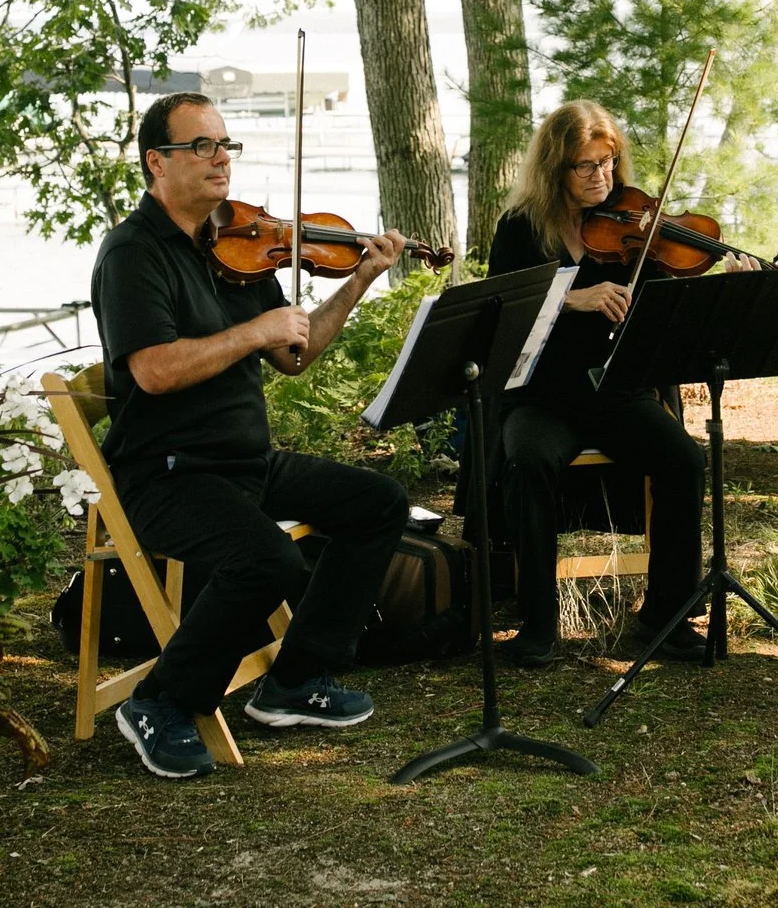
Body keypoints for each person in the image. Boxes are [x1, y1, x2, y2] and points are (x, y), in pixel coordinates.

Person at [90, 91, 413, 780]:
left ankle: (292, 681)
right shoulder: (132, 253)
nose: (220, 159)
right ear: (157, 161)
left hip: (243, 461)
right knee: (269, 560)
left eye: (225, 144)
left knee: (379, 503)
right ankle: (159, 702)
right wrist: (253, 331)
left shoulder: (236, 243)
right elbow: (151, 371)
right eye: (201, 146)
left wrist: (358, 280)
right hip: (168, 471)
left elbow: (296, 354)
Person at [487, 101, 716, 670]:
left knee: (683, 461)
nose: (601, 178)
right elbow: (501, 311)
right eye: (585, 167)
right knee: (529, 462)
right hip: (541, 395)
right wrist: (573, 298)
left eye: (608, 163)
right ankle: (538, 622)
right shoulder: (519, 231)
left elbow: (669, 303)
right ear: (554, 170)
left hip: (614, 391)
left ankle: (665, 614)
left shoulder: (632, 225)